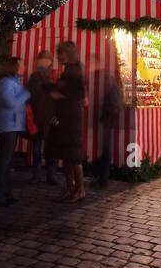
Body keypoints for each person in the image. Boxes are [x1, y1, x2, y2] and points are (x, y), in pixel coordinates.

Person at [47, 41, 87, 203]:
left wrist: (56, 93)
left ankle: (79, 189)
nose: (59, 55)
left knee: (73, 155)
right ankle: (70, 188)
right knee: (67, 154)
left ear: (68, 53)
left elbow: (76, 94)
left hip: (71, 118)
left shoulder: (74, 70)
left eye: (61, 52)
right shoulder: (72, 68)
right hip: (67, 117)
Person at [0, 57, 29, 206]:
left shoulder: (13, 82)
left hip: (13, 125)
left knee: (7, 161)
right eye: (21, 64)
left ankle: (6, 192)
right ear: (14, 67)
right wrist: (26, 94)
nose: (24, 66)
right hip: (7, 126)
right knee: (4, 161)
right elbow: (10, 102)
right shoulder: (5, 83)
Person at [26, 50, 61, 184]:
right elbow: (30, 94)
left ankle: (48, 175)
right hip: (38, 116)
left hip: (49, 116)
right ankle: (39, 174)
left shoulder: (52, 76)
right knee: (37, 147)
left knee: (48, 147)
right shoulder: (36, 77)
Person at [93, 55, 123, 187]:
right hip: (110, 113)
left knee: (105, 146)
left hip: (108, 114)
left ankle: (103, 178)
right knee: (105, 146)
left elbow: (101, 96)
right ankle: (103, 176)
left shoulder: (103, 77)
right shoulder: (106, 76)